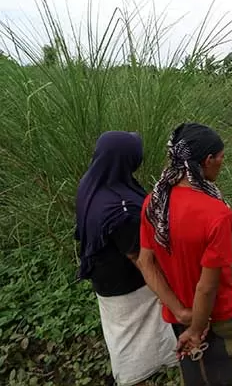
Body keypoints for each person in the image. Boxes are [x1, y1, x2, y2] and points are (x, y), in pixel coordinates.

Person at [138, 123, 232, 386]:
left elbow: (146, 263)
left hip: (179, 310)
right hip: (219, 310)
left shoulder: (153, 203)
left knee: (198, 365)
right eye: (221, 158)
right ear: (208, 160)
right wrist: (197, 327)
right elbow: (206, 286)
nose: (222, 164)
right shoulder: (217, 214)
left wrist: (180, 313)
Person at [75, 131, 189, 386]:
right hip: (127, 286)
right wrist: (173, 299)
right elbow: (141, 259)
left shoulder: (93, 184)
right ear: (126, 159)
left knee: (123, 333)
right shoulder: (121, 210)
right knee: (133, 340)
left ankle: (139, 370)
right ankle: (135, 376)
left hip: (105, 278)